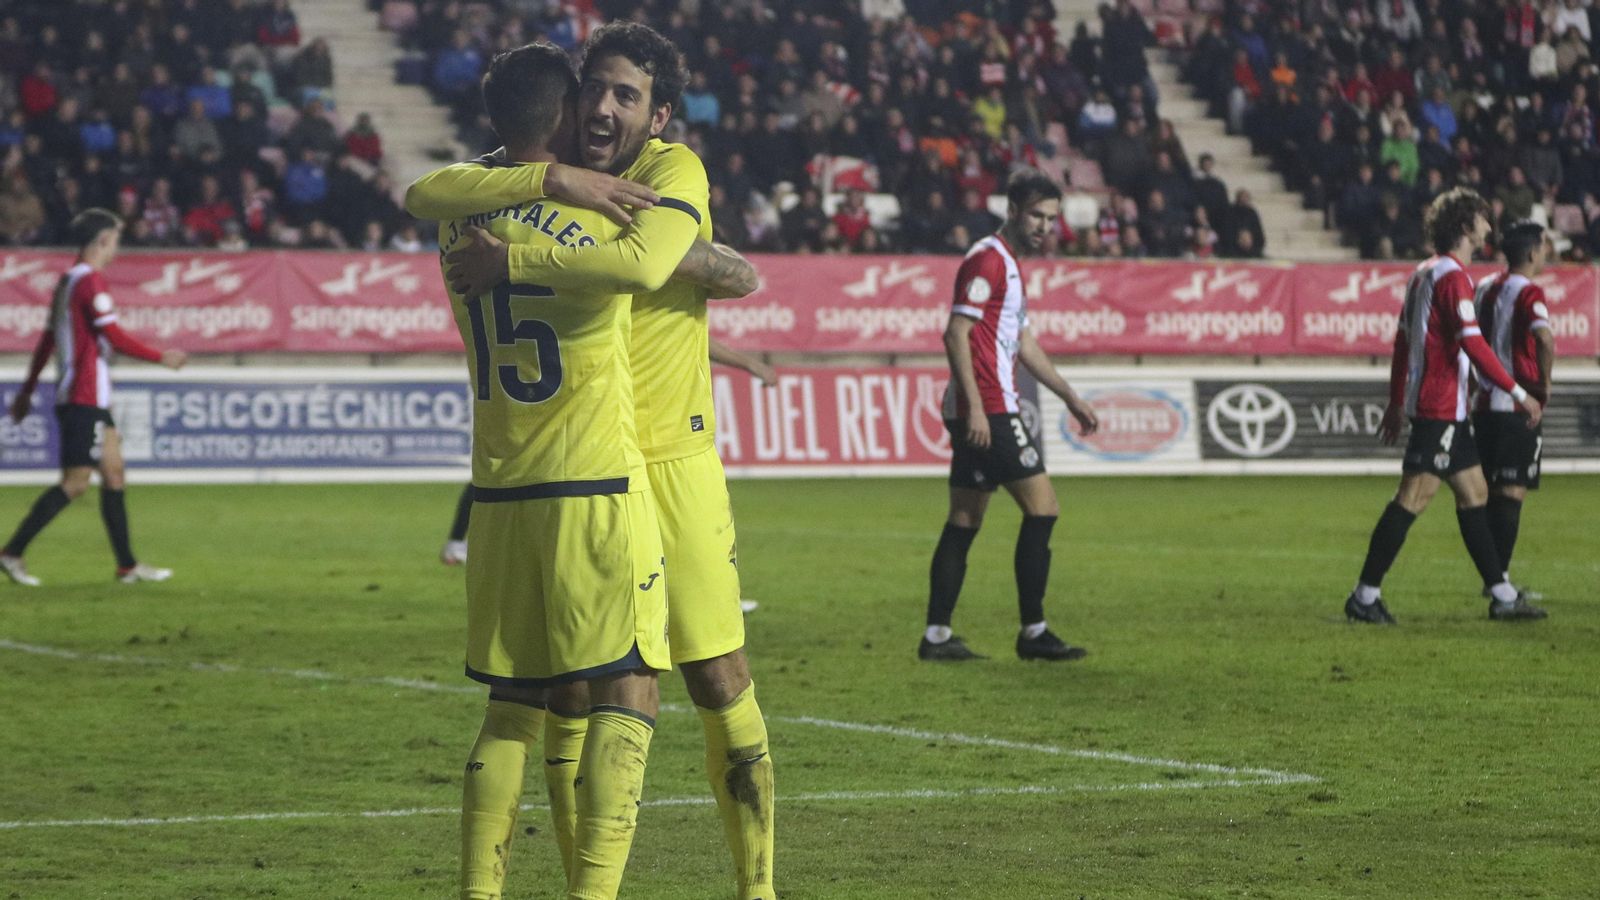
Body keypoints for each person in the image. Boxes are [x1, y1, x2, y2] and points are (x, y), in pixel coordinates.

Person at [407, 27, 777, 900]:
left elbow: (675, 268)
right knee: (577, 693)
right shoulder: (553, 181)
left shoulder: (671, 171)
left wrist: (704, 261)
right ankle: (586, 880)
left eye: (625, 96)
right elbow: (432, 187)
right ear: (569, 104)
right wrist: (556, 182)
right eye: (594, 92)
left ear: (658, 115)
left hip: (668, 458)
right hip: (595, 464)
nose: (606, 109)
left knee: (716, 674)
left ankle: (757, 888)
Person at [432, 44, 672, 900]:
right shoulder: (604, 218)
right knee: (630, 691)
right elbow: (662, 265)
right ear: (566, 114)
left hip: (500, 494)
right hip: (593, 484)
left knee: (511, 708)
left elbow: (436, 187)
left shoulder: (459, 215)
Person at [922, 170, 1100, 663]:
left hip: (983, 406)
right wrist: (977, 408)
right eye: (1037, 216)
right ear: (1014, 211)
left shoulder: (1010, 266)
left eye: (1052, 219)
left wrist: (1069, 396)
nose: (1045, 226)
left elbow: (1023, 344)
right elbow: (955, 333)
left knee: (965, 517)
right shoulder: (988, 260)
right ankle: (1033, 631)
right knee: (1043, 509)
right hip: (990, 407)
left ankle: (936, 636)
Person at [1345, 189, 1546, 625]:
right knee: (1412, 498)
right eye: (1482, 219)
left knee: (1475, 495)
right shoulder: (1454, 278)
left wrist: (1396, 401)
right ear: (1465, 226)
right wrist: (1519, 393)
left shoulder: (1423, 273)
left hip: (1443, 409)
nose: (1489, 227)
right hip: (1438, 406)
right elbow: (1473, 344)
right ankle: (1364, 596)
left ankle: (1502, 595)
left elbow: (1402, 343)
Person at [438, 338, 776, 569]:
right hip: (604, 410)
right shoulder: (630, 287)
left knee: (506, 472)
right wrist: (750, 363)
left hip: (565, 402)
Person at [1, 209, 186, 587]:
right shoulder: (90, 283)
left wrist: (28, 390)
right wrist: (160, 357)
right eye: (115, 239)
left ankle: (127, 566)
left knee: (114, 474)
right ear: (103, 240)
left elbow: (47, 341)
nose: (117, 247)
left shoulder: (68, 281)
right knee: (75, 483)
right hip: (83, 396)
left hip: (88, 397)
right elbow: (113, 336)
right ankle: (12, 553)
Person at [1472, 222, 1556, 605]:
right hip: (1514, 404)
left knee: (1492, 491)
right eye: (1543, 247)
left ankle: (1494, 579)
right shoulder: (1530, 291)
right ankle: (1499, 583)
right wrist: (1544, 384)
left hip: (1483, 404)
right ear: (1533, 252)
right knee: (1510, 492)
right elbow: (1544, 337)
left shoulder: (1484, 287)